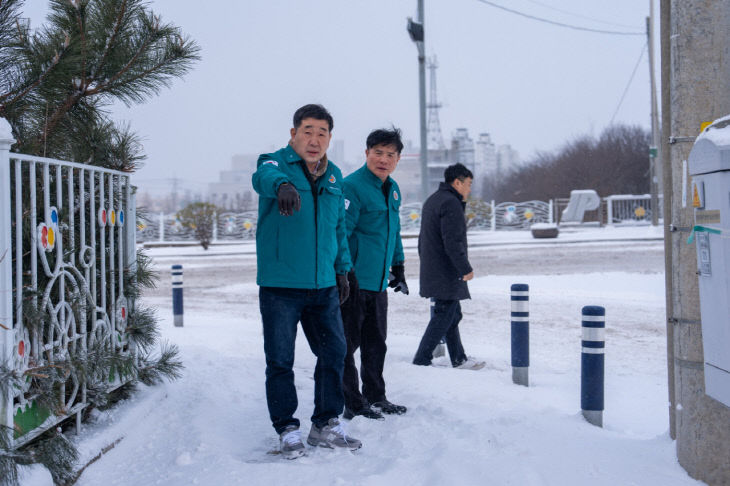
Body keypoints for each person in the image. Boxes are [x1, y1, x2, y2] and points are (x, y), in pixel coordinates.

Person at [252, 104, 361, 459]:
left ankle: (325, 423)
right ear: (293, 133)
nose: (315, 140)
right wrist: (283, 184)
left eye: (322, 133)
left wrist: (342, 268)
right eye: (308, 131)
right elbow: (263, 177)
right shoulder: (273, 164)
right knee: (280, 360)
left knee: (334, 352)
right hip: (281, 287)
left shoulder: (334, 177)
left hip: (323, 286)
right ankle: (286, 429)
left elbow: (339, 227)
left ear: (330, 137)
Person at [340, 127, 409, 421]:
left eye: (390, 154)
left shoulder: (392, 189)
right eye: (378, 152)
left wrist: (399, 266)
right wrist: (345, 272)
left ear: (397, 159)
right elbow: (340, 232)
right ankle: (352, 402)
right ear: (366, 153)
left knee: (376, 343)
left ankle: (376, 395)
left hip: (378, 282)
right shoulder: (351, 187)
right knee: (347, 344)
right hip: (354, 281)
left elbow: (394, 231)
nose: (383, 159)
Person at [412, 163, 485, 370]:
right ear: (457, 182)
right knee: (445, 314)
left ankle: (459, 358)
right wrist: (465, 268)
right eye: (468, 184)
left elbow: (422, 240)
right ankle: (422, 358)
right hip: (446, 270)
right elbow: (452, 242)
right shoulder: (450, 203)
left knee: (452, 313)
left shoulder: (433, 200)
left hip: (435, 268)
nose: (469, 189)